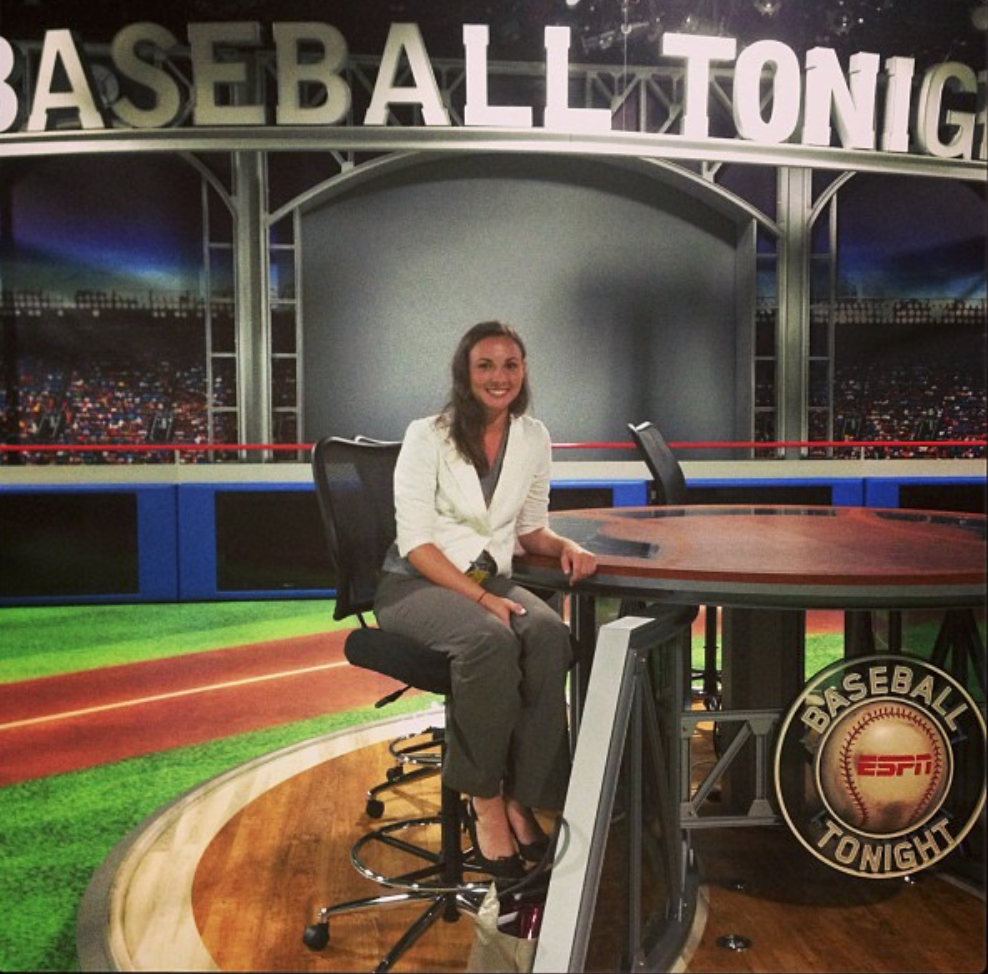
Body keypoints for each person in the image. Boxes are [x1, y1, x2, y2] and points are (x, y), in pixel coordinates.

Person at [374, 320, 597, 878]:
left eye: (510, 365)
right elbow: (416, 544)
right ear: (465, 373)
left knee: (549, 635)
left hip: (486, 580)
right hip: (415, 583)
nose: (500, 376)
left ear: (523, 373)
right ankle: (486, 798)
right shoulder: (426, 436)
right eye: (486, 365)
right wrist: (479, 598)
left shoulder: (534, 437)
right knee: (489, 641)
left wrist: (564, 546)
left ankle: (526, 795)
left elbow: (530, 529)